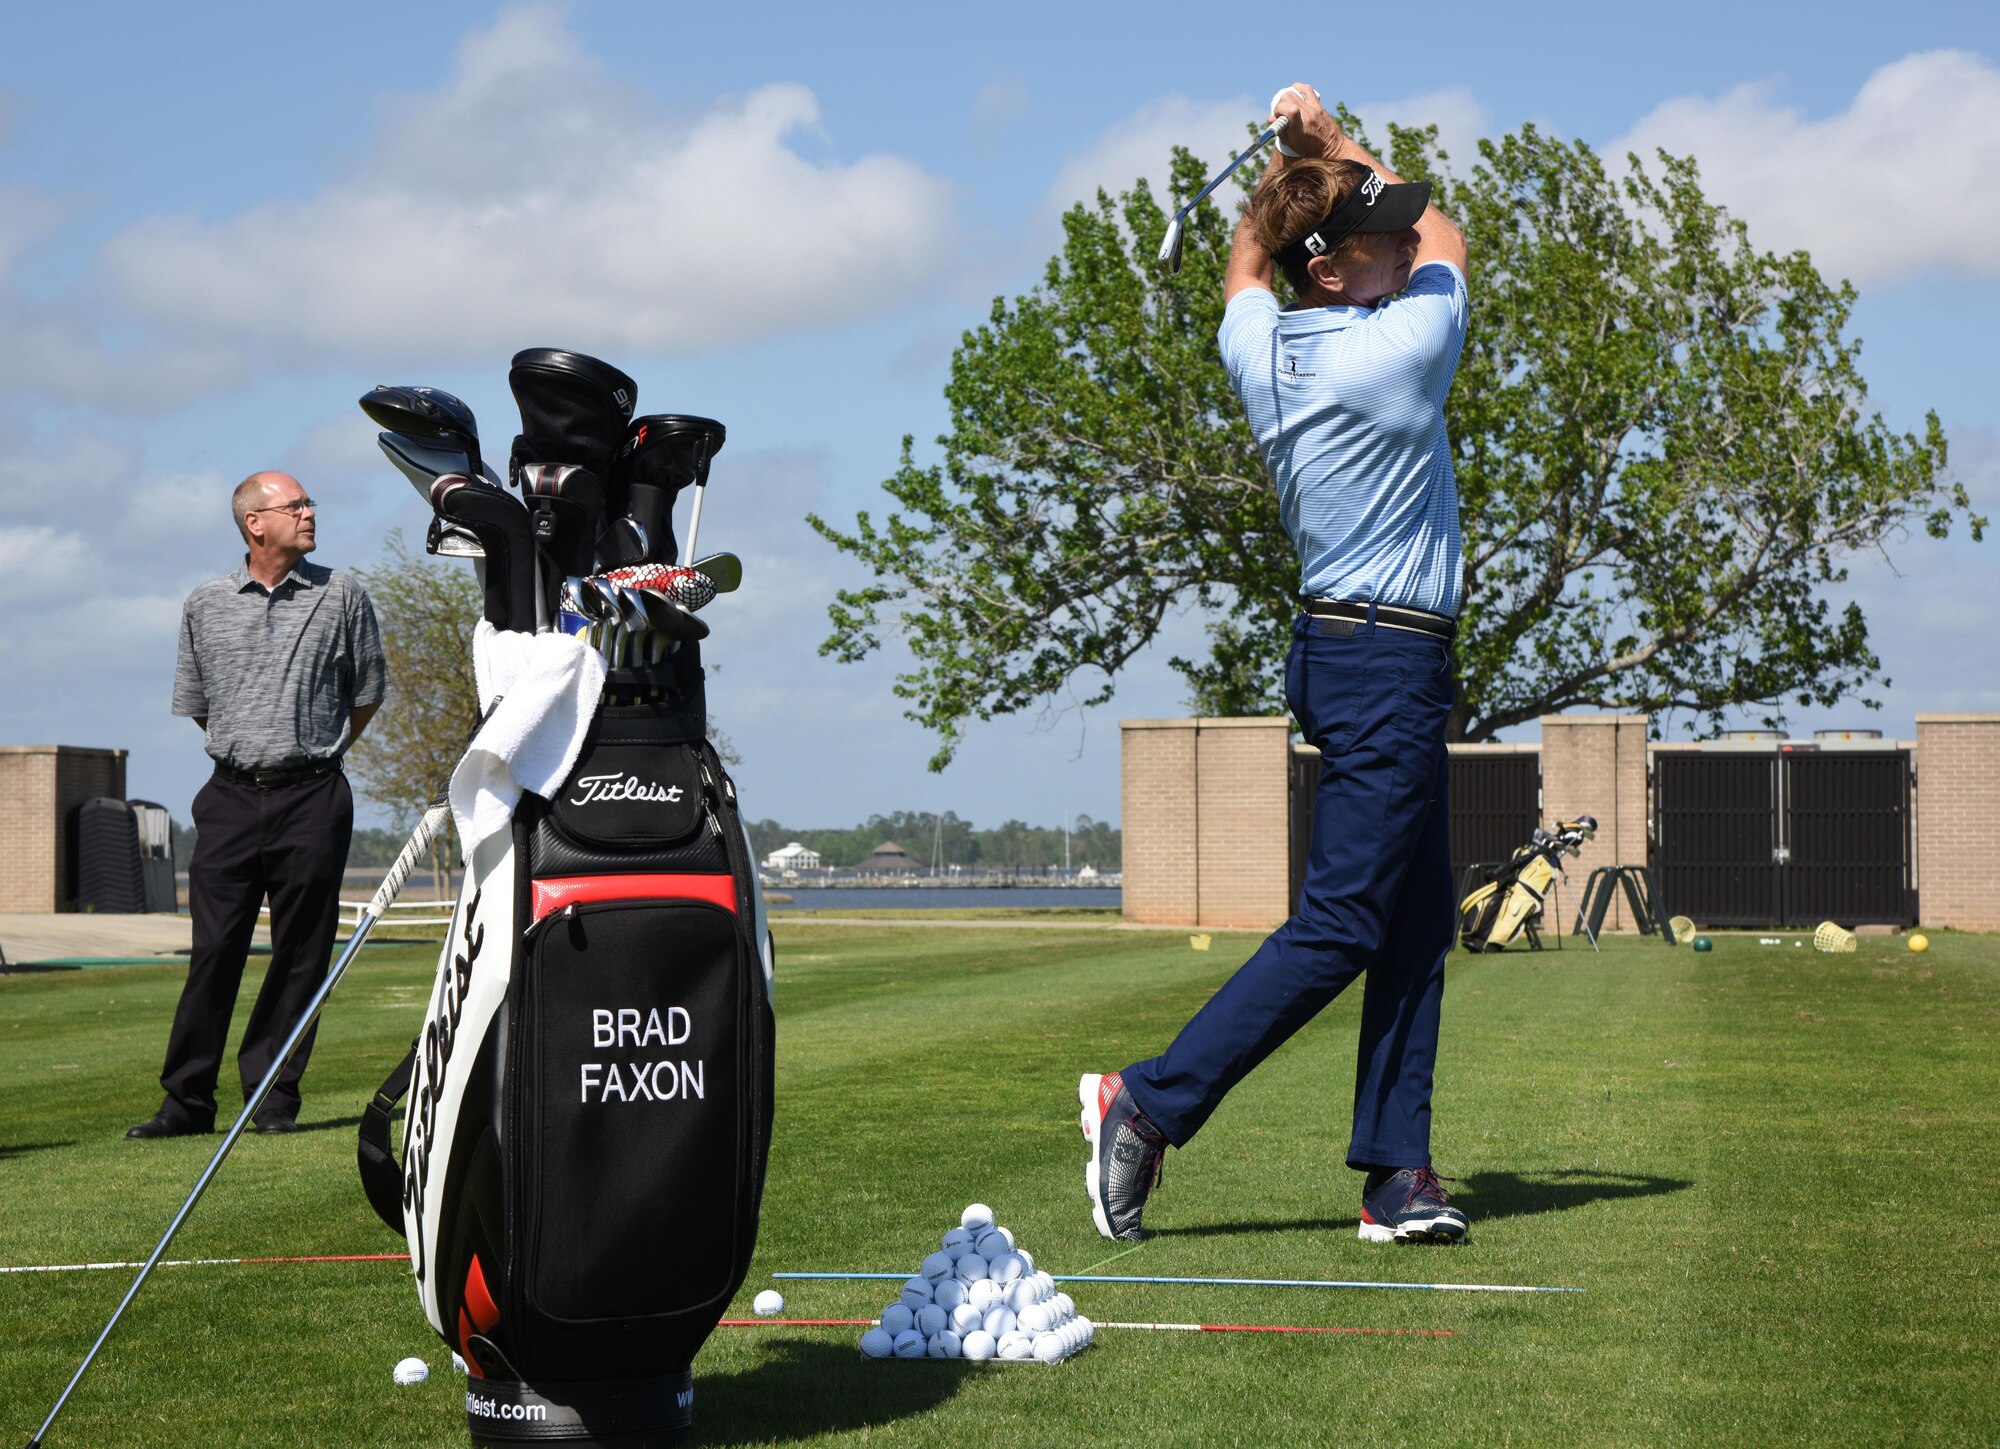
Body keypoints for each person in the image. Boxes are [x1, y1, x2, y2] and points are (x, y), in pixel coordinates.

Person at [1080, 84, 1473, 1243]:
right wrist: (1329, 141)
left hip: (1345, 654)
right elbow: (1449, 236)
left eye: (1393, 231)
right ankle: (1148, 1102)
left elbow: (1241, 270)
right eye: (1376, 238)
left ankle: (1396, 1174)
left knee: (1407, 926)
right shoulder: (1393, 355)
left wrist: (1286, 181)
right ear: (1331, 270)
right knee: (1345, 922)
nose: (1404, 242)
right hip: (1384, 663)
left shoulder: (1264, 344)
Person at [126, 473, 387, 1139]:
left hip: (315, 796)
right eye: (294, 505)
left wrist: (312, 752)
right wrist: (250, 748)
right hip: (230, 798)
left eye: (309, 502)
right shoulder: (204, 604)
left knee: (302, 952)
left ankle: (270, 1101)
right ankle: (186, 1103)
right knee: (214, 950)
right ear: (255, 523)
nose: (309, 512)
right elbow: (200, 705)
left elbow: (367, 695)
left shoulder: (343, 596)